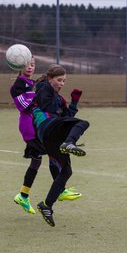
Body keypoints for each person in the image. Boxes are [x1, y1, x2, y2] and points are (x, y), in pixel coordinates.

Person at [10, 57, 82, 215]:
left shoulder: (33, 84)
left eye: (33, 64)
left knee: (37, 160)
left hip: (36, 126)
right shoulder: (19, 84)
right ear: (18, 65)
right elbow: (25, 107)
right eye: (27, 64)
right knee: (52, 151)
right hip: (30, 127)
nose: (30, 67)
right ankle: (60, 190)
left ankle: (23, 195)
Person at [32, 64, 90, 227]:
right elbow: (45, 106)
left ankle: (47, 205)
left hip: (52, 136)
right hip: (47, 126)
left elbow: (67, 117)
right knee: (83, 123)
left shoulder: (59, 99)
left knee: (66, 171)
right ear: (50, 79)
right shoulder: (43, 87)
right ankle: (69, 143)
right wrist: (59, 103)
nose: (62, 84)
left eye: (64, 81)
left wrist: (74, 102)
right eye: (59, 80)